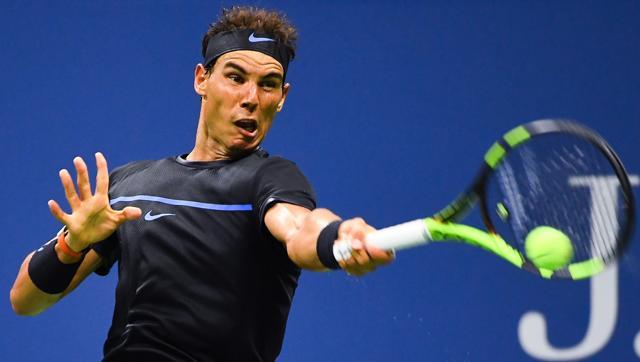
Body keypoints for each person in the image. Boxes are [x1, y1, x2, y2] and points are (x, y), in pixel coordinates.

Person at [10, 6, 393, 361]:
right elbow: (25, 300)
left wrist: (337, 237)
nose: (251, 98)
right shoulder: (129, 185)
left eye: (269, 84)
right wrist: (71, 244)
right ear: (202, 79)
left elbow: (300, 228)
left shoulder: (271, 178)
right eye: (235, 77)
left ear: (282, 98)